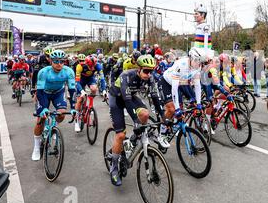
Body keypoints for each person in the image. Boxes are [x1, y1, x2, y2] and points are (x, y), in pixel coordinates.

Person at [107, 55, 161, 186]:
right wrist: (135, 121)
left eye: (151, 71)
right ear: (139, 69)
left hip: (130, 97)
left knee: (145, 114)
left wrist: (163, 115)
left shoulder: (150, 77)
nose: (149, 74)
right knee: (120, 135)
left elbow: (154, 97)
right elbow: (127, 100)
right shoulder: (127, 75)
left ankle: (133, 140)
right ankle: (114, 169)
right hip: (117, 99)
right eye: (146, 71)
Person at [32, 50, 76, 161]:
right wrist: (44, 107)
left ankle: (54, 125)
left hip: (58, 93)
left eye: (62, 61)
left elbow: (72, 90)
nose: (59, 64)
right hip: (44, 94)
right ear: (51, 61)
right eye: (56, 61)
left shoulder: (69, 71)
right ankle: (36, 147)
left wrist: (74, 108)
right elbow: (40, 92)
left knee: (61, 114)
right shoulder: (43, 72)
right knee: (40, 119)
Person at [157, 47, 205, 139]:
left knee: (192, 103)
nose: (198, 63)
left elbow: (197, 85)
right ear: (190, 58)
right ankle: (162, 134)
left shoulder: (198, 66)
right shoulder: (181, 65)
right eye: (196, 60)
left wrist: (198, 103)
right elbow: (174, 89)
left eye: (200, 61)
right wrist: (177, 109)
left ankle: (176, 123)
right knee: (172, 109)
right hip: (166, 82)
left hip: (181, 82)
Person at [74, 55, 106, 131]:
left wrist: (104, 90)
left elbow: (102, 79)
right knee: (80, 99)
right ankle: (76, 121)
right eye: (90, 66)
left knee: (94, 89)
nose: (92, 68)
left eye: (93, 66)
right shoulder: (80, 66)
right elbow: (77, 82)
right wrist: (82, 91)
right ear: (87, 64)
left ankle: (90, 106)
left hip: (90, 79)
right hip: (81, 80)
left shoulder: (98, 66)